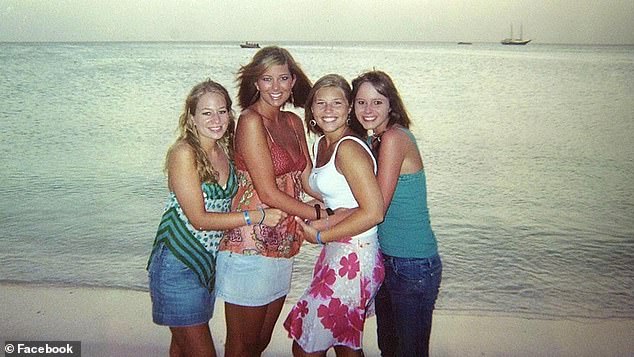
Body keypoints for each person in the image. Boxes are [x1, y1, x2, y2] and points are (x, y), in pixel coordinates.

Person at [147, 79, 286, 357]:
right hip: (178, 263)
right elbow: (199, 219)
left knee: (182, 347)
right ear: (191, 117)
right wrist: (256, 217)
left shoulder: (224, 151)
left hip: (207, 265)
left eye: (222, 111)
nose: (216, 119)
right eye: (207, 113)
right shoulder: (183, 153)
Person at [215, 46, 325, 357]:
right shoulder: (251, 121)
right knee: (242, 344)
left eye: (283, 78)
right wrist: (321, 214)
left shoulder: (292, 121)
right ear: (255, 83)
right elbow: (268, 193)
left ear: (293, 82)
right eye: (267, 79)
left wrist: (346, 201)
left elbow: (306, 179)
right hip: (250, 242)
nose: (275, 87)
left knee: (259, 341)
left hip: (284, 239)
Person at [284, 74, 385, 357]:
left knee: (306, 346)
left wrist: (320, 233)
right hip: (338, 251)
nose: (328, 110)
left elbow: (374, 212)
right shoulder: (322, 145)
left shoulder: (349, 148)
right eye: (321, 104)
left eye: (336, 103)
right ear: (312, 110)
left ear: (349, 107)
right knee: (344, 341)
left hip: (355, 255)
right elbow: (329, 192)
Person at [350, 70, 442, 357]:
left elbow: (376, 209)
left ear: (392, 104)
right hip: (390, 260)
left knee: (408, 352)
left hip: (412, 264)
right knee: (389, 347)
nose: (368, 110)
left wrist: (323, 225)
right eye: (361, 102)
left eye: (377, 102)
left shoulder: (394, 138)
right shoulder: (373, 141)